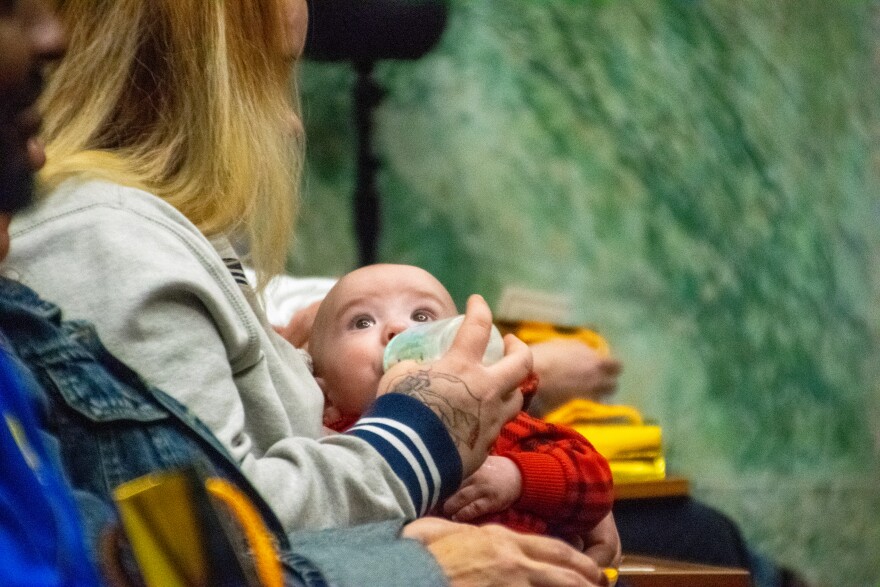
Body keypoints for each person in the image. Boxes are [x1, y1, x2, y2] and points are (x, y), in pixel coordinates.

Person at [0, 3, 613, 584]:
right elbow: (215, 546)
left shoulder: (162, 233)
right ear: (190, 82)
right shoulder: (109, 243)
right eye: (273, 73)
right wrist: (422, 439)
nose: (293, 119)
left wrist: (540, 487)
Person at [306, 263, 619, 559]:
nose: (399, 328)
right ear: (324, 392)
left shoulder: (498, 426)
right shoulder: (331, 455)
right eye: (362, 322)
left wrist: (517, 477)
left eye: (423, 317)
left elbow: (595, 483)